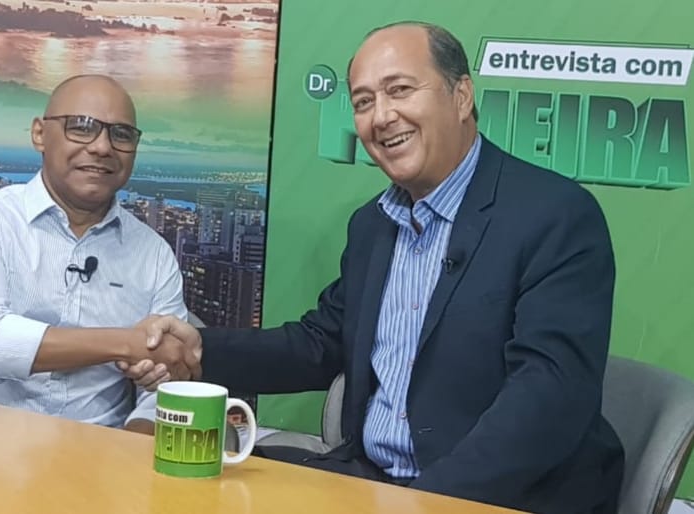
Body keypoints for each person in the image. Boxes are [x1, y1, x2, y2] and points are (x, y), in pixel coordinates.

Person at [128, 22, 624, 514]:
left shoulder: (554, 215)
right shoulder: (373, 225)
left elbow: (550, 394)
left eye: (400, 90)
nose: (381, 117)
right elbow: (321, 344)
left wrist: (424, 502)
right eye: (363, 102)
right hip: (374, 480)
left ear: (461, 96)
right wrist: (200, 348)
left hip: (502, 496)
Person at [0, 74, 200, 434]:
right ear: (39, 134)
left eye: (121, 134)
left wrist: (134, 447)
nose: (102, 147)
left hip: (103, 450)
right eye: (81, 127)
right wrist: (126, 343)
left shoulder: (153, 254)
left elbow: (168, 379)